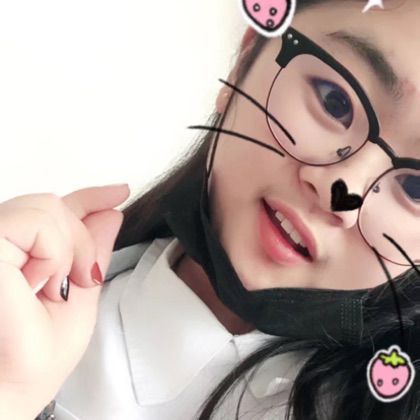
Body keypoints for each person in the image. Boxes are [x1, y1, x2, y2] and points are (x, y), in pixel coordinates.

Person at [1, 0, 420, 419]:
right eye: (335, 102)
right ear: (245, 59)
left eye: (415, 187)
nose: (340, 194)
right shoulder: (23, 310)